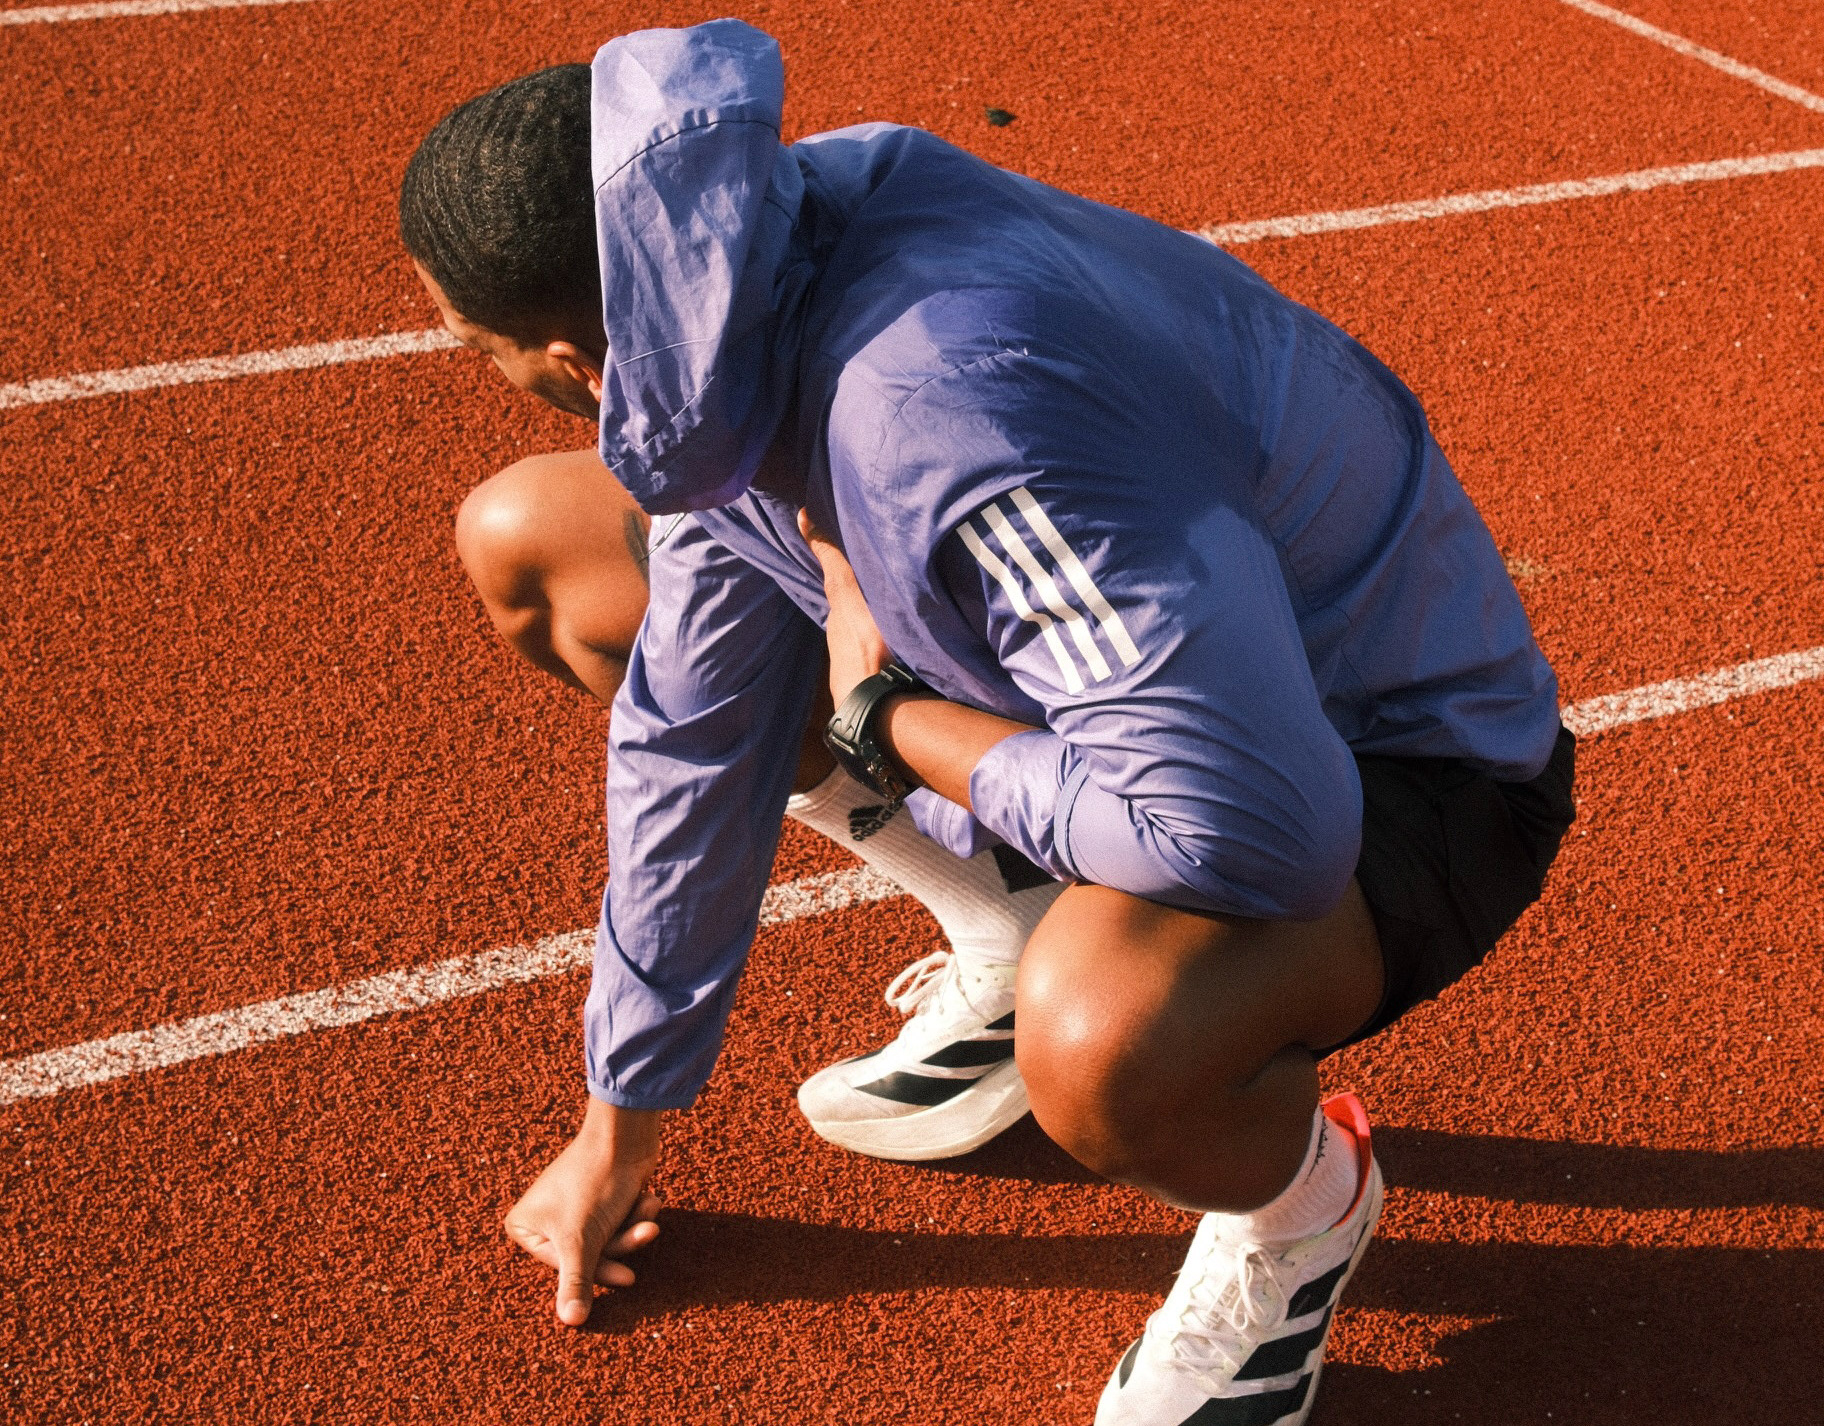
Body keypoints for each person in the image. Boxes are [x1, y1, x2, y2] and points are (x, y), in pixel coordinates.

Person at [399, 24, 1576, 1426]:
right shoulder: (736, 278)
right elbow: (693, 733)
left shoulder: (951, 420)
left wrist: (887, 717)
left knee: (1105, 1042)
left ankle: (1300, 1211)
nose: (464, 363)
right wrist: (623, 1116)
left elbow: (1247, 833)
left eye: (466, 347)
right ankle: (1007, 921)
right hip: (1160, 679)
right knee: (550, 546)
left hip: (1395, 755)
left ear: (570, 363)